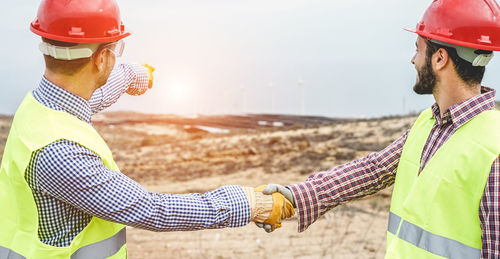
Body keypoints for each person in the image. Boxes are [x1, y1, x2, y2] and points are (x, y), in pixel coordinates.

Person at [0, 0, 293, 258]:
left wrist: (132, 75)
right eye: (115, 50)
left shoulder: (39, 107)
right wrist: (249, 203)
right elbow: (153, 210)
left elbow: (93, 95)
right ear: (102, 59)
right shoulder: (61, 156)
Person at [260, 0, 500, 258]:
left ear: (439, 58)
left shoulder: (493, 149)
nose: (413, 60)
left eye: (418, 50)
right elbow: (373, 170)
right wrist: (298, 196)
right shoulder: (428, 123)